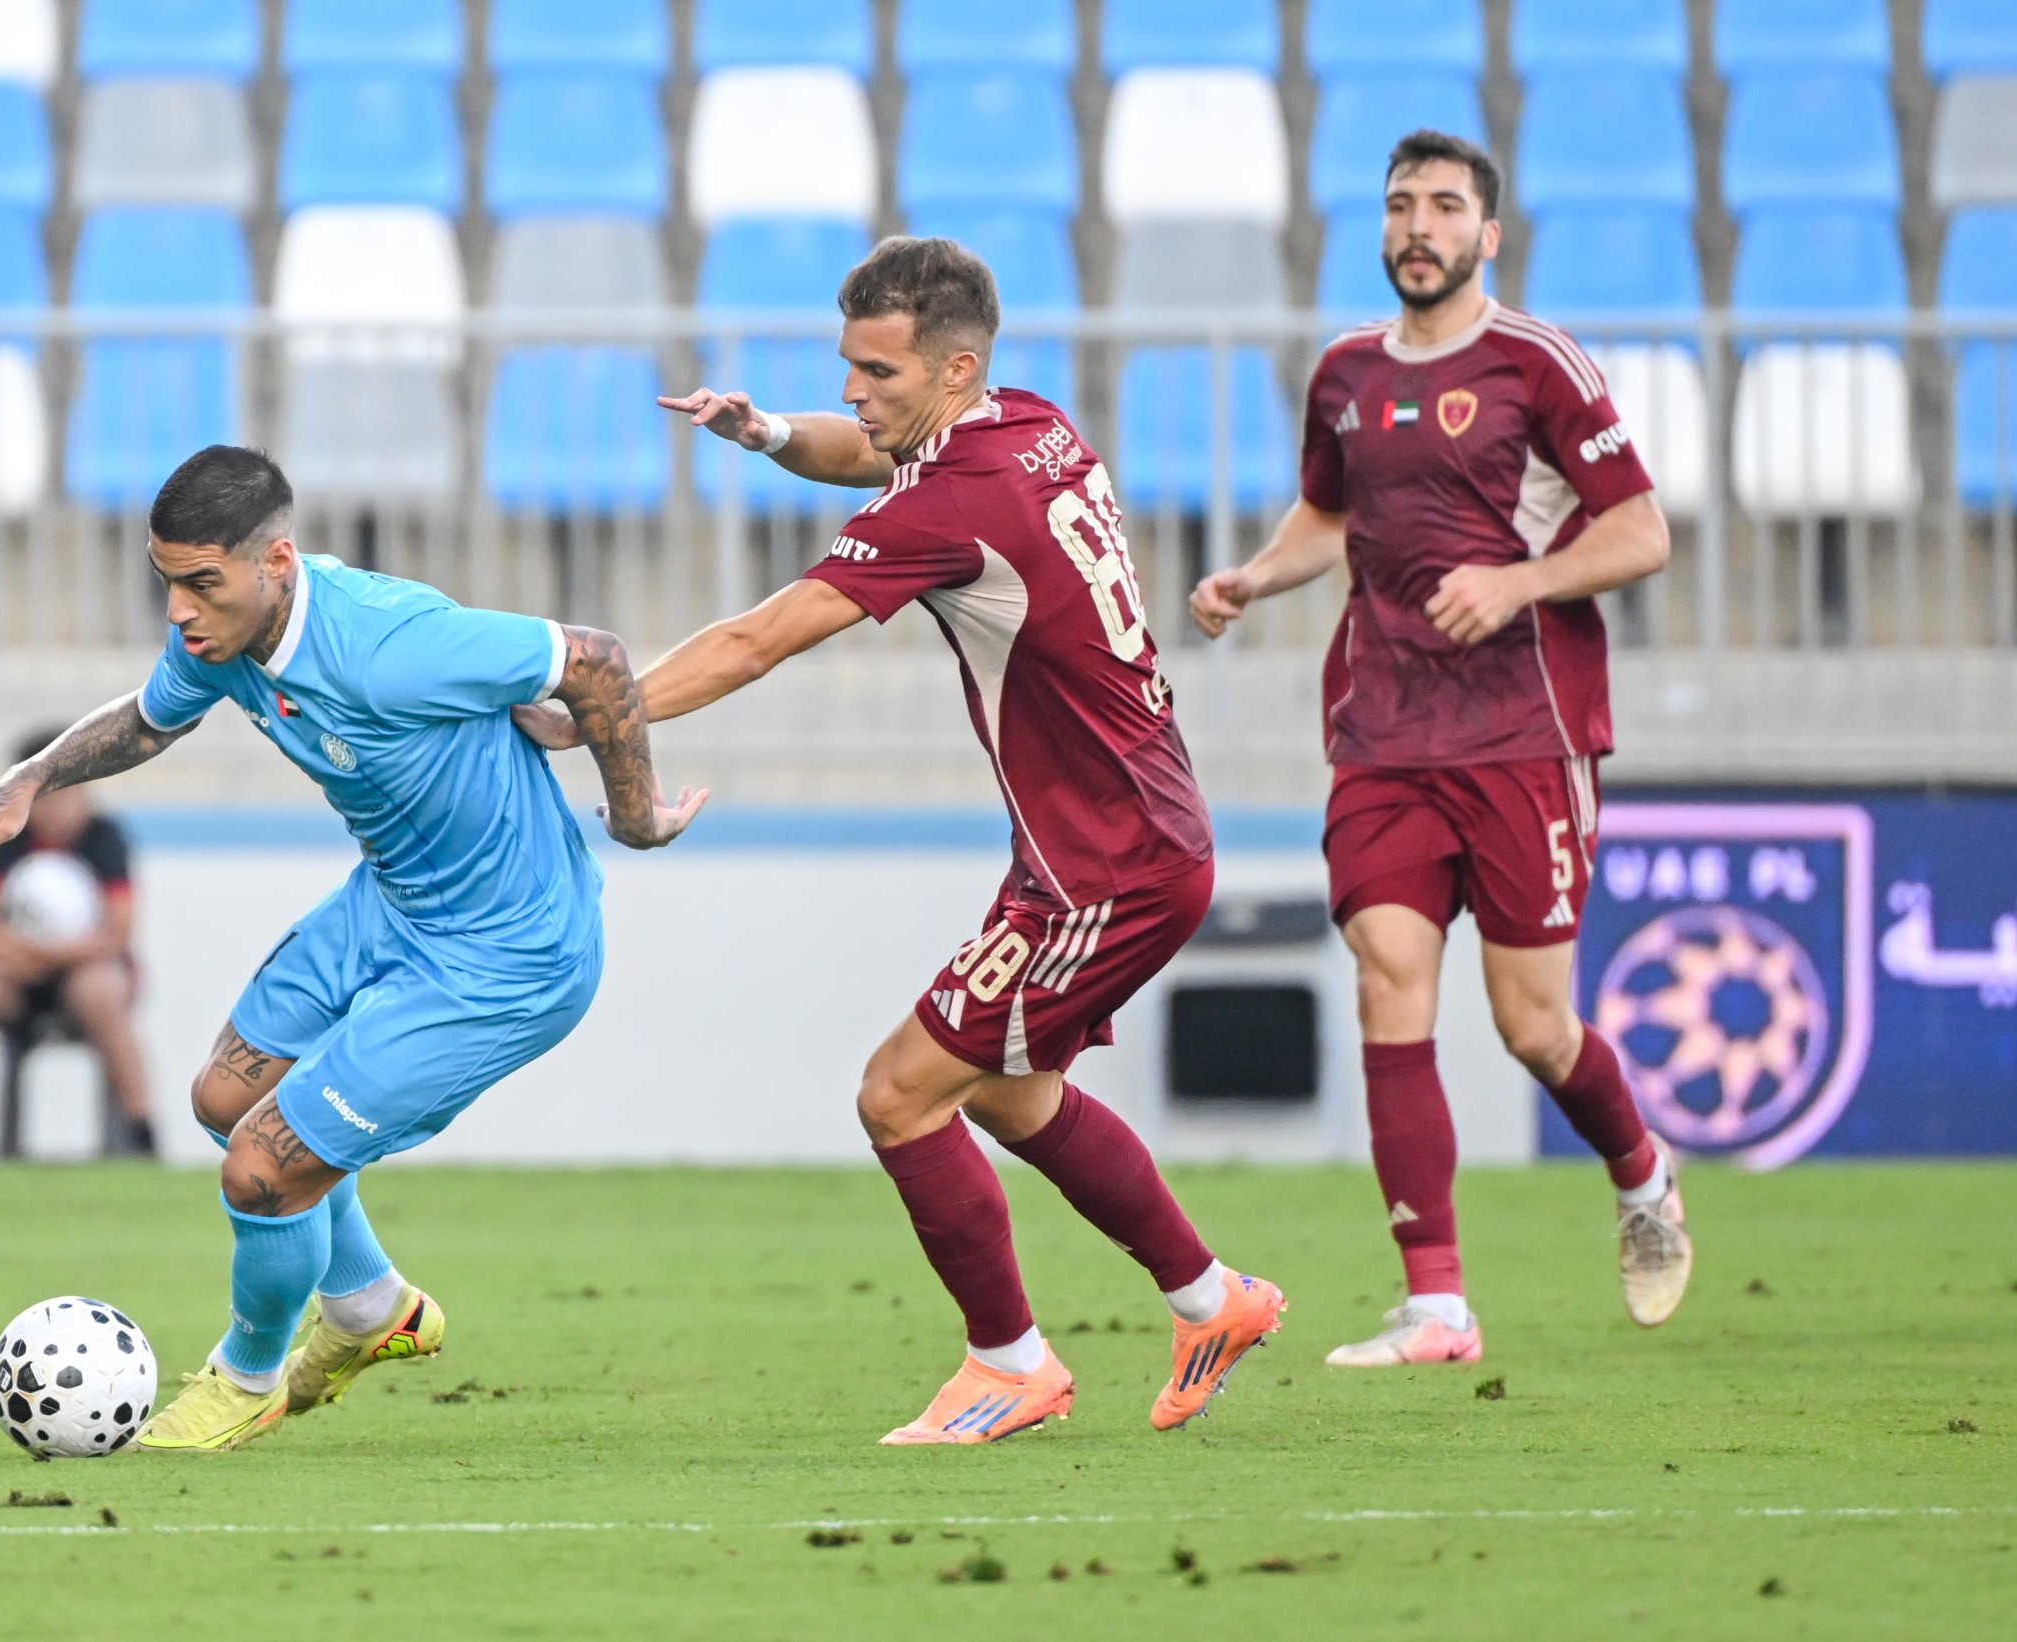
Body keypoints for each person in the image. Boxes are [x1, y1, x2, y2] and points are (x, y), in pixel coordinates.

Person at [521, 236, 1286, 1444]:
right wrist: (764, 433)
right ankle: (1213, 1297)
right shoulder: (1020, 424)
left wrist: (592, 717)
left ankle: (1010, 1362)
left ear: (952, 365)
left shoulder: (957, 501)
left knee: (900, 1095)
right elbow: (867, 454)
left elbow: (757, 638)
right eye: (847, 367)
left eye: (874, 371)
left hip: (1110, 867)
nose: (851, 393)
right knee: (1014, 1098)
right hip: (1111, 841)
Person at [0, 445, 701, 1453]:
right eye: (166, 580)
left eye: (201, 582)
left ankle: (248, 1375)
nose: (178, 609)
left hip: (506, 953)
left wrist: (636, 809)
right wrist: (28, 780)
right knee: (223, 1101)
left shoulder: (392, 642)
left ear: (278, 564)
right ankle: (368, 1306)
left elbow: (594, 657)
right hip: (389, 901)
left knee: (262, 1167)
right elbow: (144, 722)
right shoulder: (219, 640)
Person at [1189, 130, 1688, 1367]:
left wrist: (1517, 584)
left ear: (1488, 235)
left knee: (1531, 1028)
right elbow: (1331, 512)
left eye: (1445, 207)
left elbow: (1640, 533)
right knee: (1384, 980)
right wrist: (1253, 577)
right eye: (1402, 204)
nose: (1420, 226)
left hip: (1524, 734)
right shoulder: (1345, 373)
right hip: (1381, 732)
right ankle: (1436, 1305)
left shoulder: (1537, 365)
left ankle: (1639, 1172)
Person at [0, 727, 154, 1160]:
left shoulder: (104, 838)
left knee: (101, 992)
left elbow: (117, 933)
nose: (61, 807)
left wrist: (55, 957)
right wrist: (28, 958)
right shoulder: (1, 836)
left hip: (85, 971)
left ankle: (143, 1134)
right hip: (14, 975)